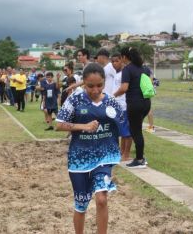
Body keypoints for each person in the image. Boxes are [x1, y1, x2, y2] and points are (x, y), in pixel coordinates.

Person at [56, 63, 124, 234]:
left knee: (102, 199)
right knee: (81, 204)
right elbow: (59, 125)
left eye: (99, 85)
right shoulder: (75, 99)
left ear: (104, 82)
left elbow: (122, 124)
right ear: (83, 83)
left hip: (103, 157)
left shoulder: (110, 101)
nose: (95, 90)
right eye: (90, 86)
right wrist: (83, 126)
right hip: (80, 159)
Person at [113, 47, 151, 168]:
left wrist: (112, 96)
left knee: (135, 132)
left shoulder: (127, 69)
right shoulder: (143, 68)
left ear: (124, 57)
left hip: (135, 104)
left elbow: (124, 88)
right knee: (137, 130)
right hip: (146, 103)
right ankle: (140, 157)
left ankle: (140, 159)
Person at [111, 53, 133, 161]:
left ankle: (126, 154)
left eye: (117, 61)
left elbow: (124, 89)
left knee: (127, 132)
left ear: (122, 61)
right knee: (122, 132)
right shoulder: (117, 74)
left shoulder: (124, 73)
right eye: (113, 61)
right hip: (117, 106)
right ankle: (122, 152)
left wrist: (112, 96)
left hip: (124, 105)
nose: (114, 63)